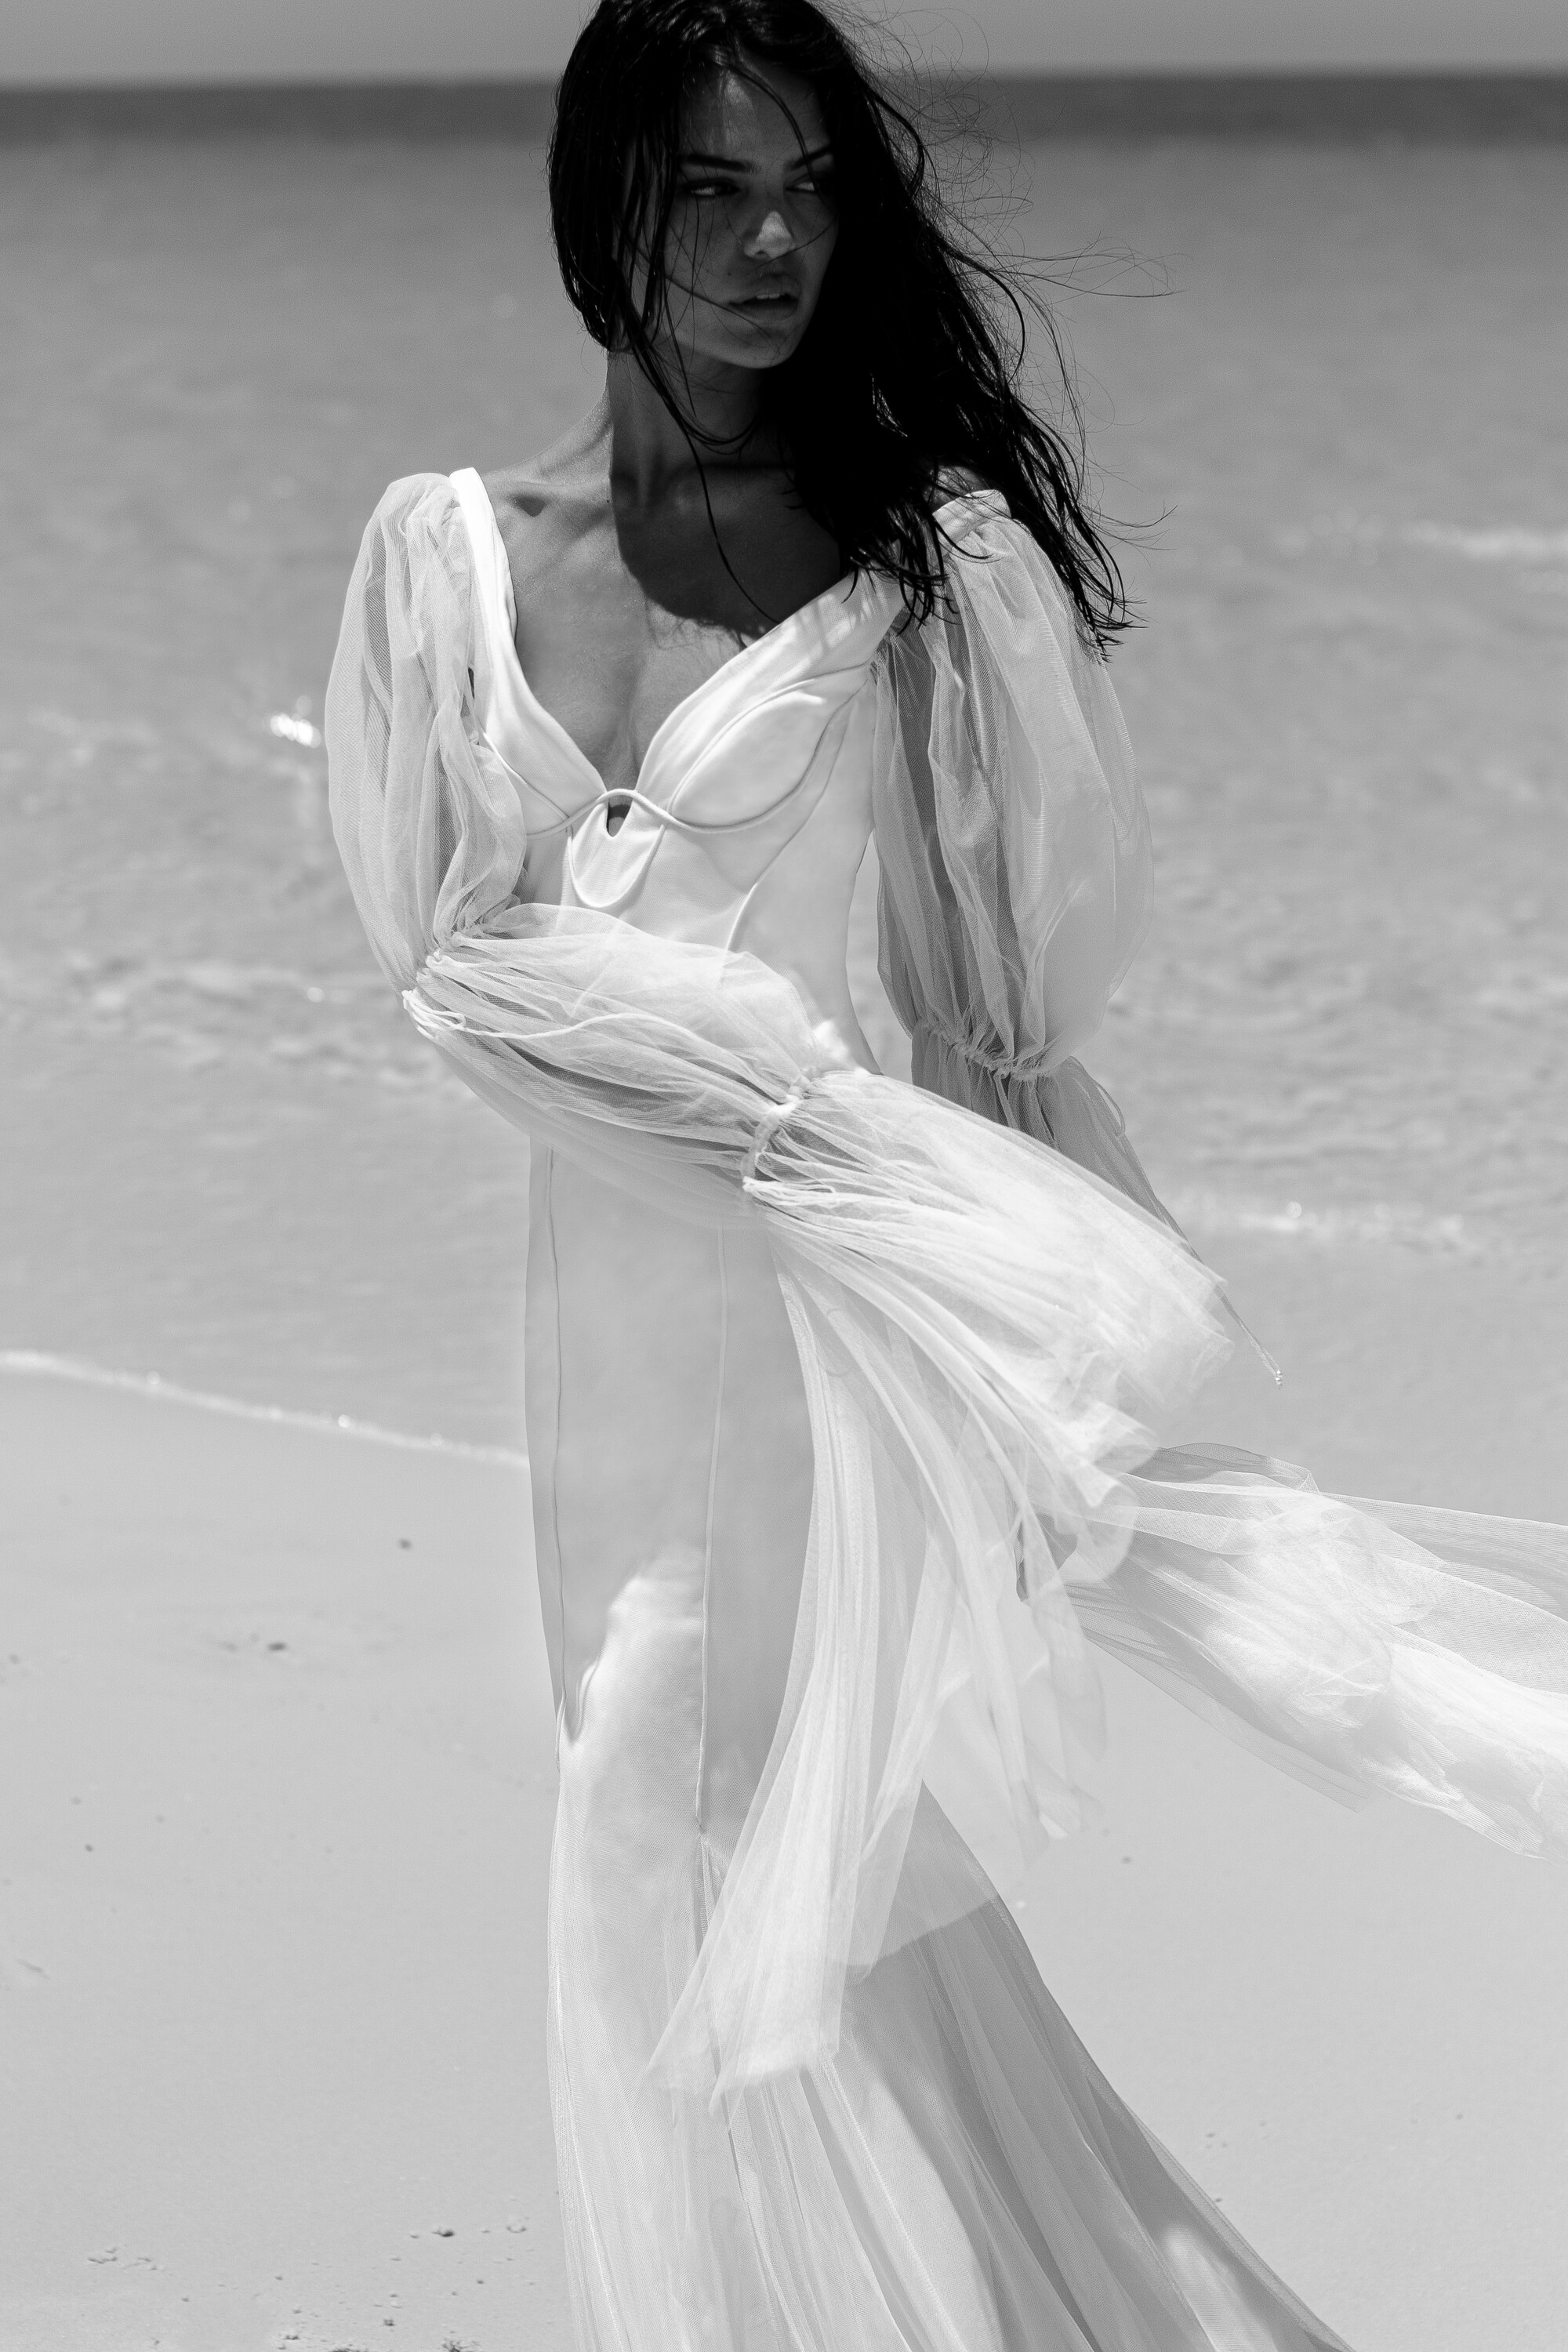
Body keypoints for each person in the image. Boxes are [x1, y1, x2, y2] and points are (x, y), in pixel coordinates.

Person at [325, 4, 1568, 2345]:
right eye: (712, 190)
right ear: (598, 209)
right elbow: (439, 957)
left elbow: (995, 1010)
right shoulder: (443, 560)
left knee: (674, 1835)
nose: (773, 243)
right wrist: (704, 1091)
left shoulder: (921, 569)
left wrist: (1016, 1362)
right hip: (599, 1348)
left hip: (834, 1340)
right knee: (750, 1873)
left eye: (810, 190)